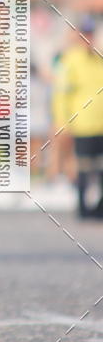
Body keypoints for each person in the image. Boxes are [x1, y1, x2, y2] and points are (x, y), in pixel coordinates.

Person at [51, 16, 103, 218]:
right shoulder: (70, 60)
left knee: (100, 167)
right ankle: (82, 205)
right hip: (82, 122)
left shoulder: (98, 59)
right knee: (83, 166)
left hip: (100, 123)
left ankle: (99, 207)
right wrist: (62, 122)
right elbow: (61, 93)